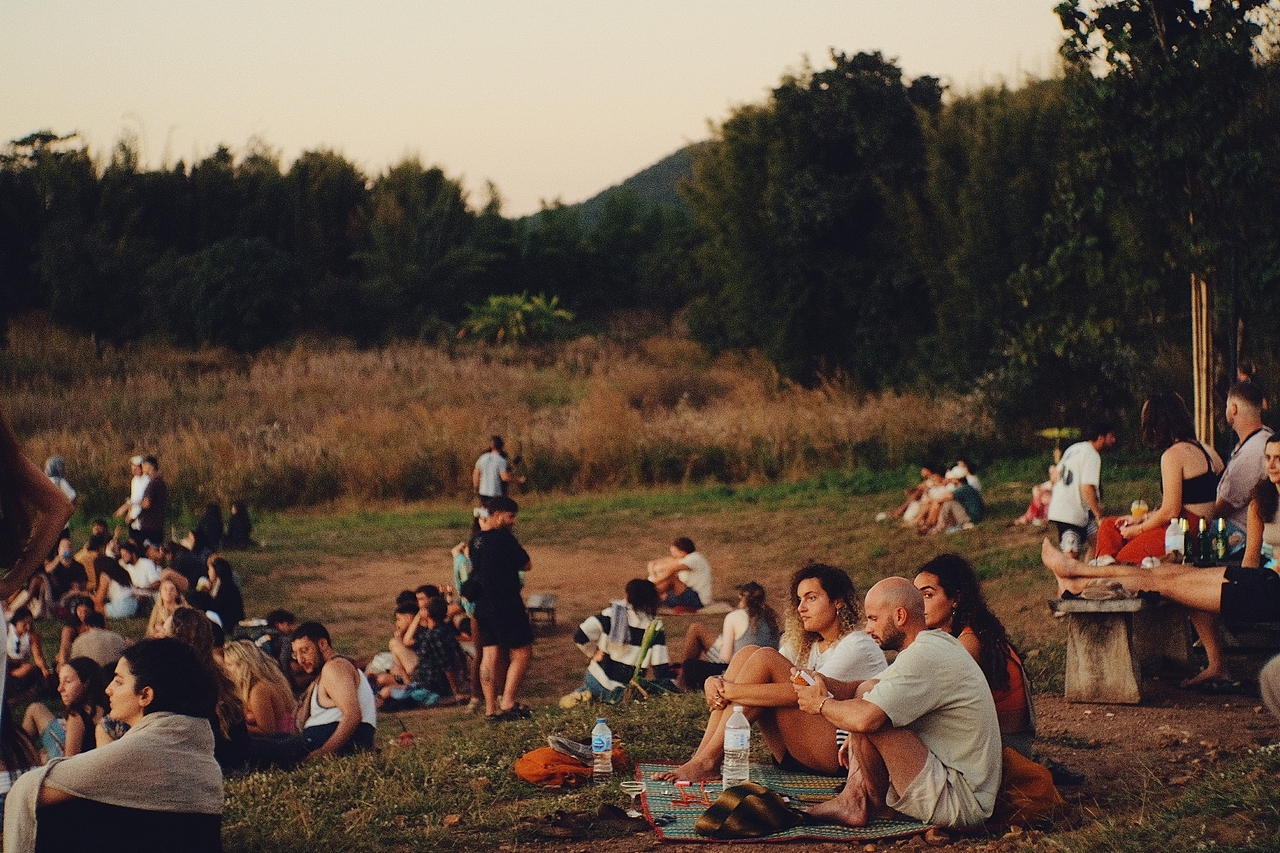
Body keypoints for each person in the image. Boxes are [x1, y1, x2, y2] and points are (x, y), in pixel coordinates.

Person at [796, 577, 1002, 829]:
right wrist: (823, 681)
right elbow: (860, 688)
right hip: (952, 785)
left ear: (900, 616)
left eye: (873, 619)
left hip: (961, 802)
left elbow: (865, 718)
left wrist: (820, 704)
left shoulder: (925, 655)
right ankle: (858, 799)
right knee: (868, 692)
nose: (868, 629)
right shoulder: (931, 645)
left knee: (868, 717)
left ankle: (860, 802)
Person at [654, 563, 887, 783]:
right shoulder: (808, 644)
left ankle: (708, 761)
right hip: (795, 751)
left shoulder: (857, 644)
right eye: (799, 600)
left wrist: (729, 690)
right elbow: (757, 671)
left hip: (840, 756)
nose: (801, 608)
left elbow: (808, 693)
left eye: (811, 598)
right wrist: (715, 683)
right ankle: (701, 758)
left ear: (838, 602)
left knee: (765, 657)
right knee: (749, 653)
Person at [4, 639, 224, 853]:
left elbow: (30, 787)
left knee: (54, 811)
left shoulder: (142, 750)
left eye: (118, 681)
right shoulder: (191, 741)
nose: (108, 689)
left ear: (145, 695)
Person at [913, 555, 1033, 757]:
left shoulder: (970, 642)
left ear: (956, 600)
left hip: (1005, 749)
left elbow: (931, 694)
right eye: (916, 597)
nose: (918, 605)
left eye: (928, 596)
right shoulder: (958, 635)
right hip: (991, 740)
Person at [1093, 395, 1223, 565]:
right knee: (1109, 526)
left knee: (1122, 560)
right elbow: (1195, 496)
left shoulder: (1172, 456)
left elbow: (1171, 511)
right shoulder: (1206, 450)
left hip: (1183, 531)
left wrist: (1138, 530)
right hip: (1198, 525)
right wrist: (1142, 518)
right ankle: (1104, 568)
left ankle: (1107, 574)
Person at [464, 496, 535, 721]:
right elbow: (527, 564)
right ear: (497, 515)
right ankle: (508, 702)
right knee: (522, 652)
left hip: (482, 606)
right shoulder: (505, 539)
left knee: (489, 654)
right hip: (506, 603)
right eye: (511, 516)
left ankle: (490, 709)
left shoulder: (475, 541)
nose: (513, 521)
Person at [561, 578, 674, 707]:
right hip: (620, 691)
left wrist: (593, 652)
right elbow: (660, 668)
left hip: (595, 679)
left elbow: (580, 634)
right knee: (646, 692)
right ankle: (589, 697)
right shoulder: (654, 626)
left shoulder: (611, 615)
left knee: (593, 688)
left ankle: (582, 695)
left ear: (627, 596)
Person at [166, 608, 249, 773]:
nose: (158, 634)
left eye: (164, 631)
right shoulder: (216, 670)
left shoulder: (178, 678)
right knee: (283, 743)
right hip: (234, 756)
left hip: (212, 761)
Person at [291, 621, 377, 759]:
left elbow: (353, 715)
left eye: (305, 650)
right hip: (314, 742)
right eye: (295, 654)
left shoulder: (335, 667)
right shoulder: (331, 670)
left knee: (260, 749)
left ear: (323, 644)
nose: (300, 660)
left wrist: (323, 753)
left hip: (327, 747)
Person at [679, 580, 781, 689]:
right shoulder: (771, 617)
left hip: (738, 671)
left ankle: (681, 681)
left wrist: (721, 644)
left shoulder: (735, 616)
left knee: (690, 663)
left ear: (741, 598)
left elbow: (726, 657)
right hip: (765, 671)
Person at [1210, 381, 1272, 552]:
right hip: (1244, 527)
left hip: (1241, 533)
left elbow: (1222, 508)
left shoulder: (1253, 451)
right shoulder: (1263, 438)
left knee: (1186, 534)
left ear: (1234, 409)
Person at [1047, 422, 1117, 558]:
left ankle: (1089, 575)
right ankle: (1068, 578)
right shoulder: (1092, 455)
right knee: (1072, 553)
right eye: (1111, 436)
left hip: (1071, 509)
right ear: (1101, 437)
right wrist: (1099, 515)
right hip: (1070, 512)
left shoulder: (1075, 448)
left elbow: (1055, 476)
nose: (1114, 440)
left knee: (1097, 543)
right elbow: (1087, 487)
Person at [21, 657, 106, 760]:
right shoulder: (102, 707)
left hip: (68, 765)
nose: (60, 689)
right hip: (88, 758)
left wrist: (42, 759)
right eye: (60, 682)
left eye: (68, 682)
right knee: (36, 708)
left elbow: (68, 763)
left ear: (86, 682)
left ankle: (18, 756)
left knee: (35, 709)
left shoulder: (77, 716)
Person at [223, 640, 295, 735]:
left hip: (281, 743)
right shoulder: (249, 690)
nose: (225, 669)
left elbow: (267, 731)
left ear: (244, 665)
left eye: (229, 665)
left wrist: (233, 727)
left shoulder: (259, 690)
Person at [647, 536, 714, 611]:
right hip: (688, 595)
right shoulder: (687, 558)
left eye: (674, 552)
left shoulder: (694, 558)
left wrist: (652, 582)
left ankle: (647, 592)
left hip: (697, 598)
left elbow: (671, 570)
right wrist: (653, 570)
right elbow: (654, 563)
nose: (673, 555)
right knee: (663, 595)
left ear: (682, 552)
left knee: (672, 578)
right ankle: (648, 597)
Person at [186, 555, 245, 628]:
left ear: (216, 570)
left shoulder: (226, 587)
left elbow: (216, 607)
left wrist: (206, 595)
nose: (208, 572)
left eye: (210, 569)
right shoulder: (217, 585)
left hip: (229, 622)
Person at [6, 608, 51, 696]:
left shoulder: (32, 636)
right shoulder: (7, 630)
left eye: (30, 623)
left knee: (29, 669)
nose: (28, 627)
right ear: (17, 622)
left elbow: (38, 656)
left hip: (20, 667)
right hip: (7, 663)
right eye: (25, 624)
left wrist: (44, 669)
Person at [473, 435, 522, 509]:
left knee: (484, 511)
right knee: (496, 512)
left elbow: (475, 474)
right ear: (501, 446)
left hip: (483, 491)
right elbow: (505, 477)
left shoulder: (482, 458)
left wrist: (476, 488)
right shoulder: (501, 460)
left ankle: (480, 520)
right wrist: (519, 480)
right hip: (495, 492)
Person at [112, 456, 149, 538]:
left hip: (144, 520)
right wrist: (130, 513)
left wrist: (124, 508)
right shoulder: (134, 480)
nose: (133, 471)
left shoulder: (147, 480)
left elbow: (140, 499)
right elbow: (133, 498)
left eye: (136, 468)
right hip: (134, 522)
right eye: (132, 468)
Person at [135, 456, 168, 549]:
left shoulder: (154, 483)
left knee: (149, 550)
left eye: (144, 465)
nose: (142, 468)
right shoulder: (160, 482)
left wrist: (133, 503)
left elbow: (147, 504)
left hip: (150, 525)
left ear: (150, 466)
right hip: (158, 524)